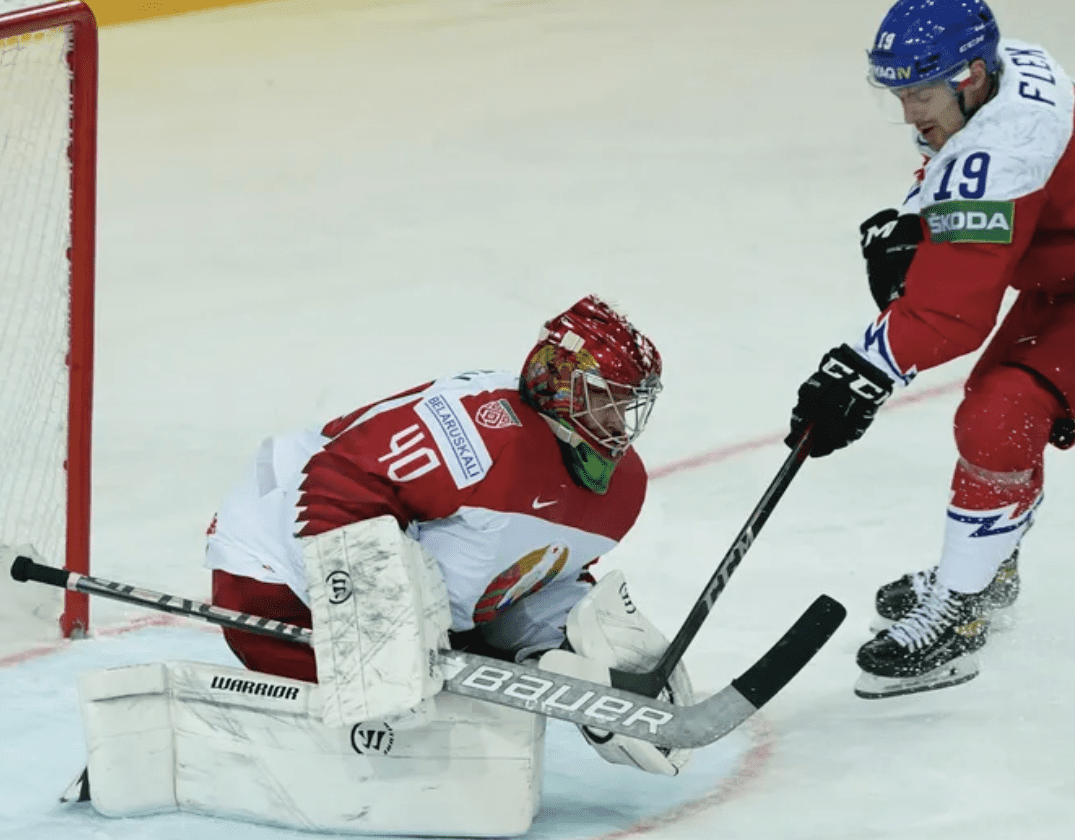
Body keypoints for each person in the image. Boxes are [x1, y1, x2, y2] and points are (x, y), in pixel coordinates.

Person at [72, 295, 692, 837]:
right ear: (558, 383)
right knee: (394, 705)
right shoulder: (480, 431)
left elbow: (538, 577)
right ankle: (191, 746)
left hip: (425, 595)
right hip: (276, 574)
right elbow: (337, 483)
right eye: (604, 400)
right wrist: (379, 628)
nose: (619, 422)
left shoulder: (622, 488)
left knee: (473, 712)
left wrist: (570, 659)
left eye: (627, 404)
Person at [787, 0, 1075, 699]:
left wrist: (859, 370)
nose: (909, 115)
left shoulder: (1006, 146)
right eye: (898, 95)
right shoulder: (1001, 73)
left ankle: (959, 615)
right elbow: (964, 171)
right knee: (996, 421)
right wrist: (915, 222)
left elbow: (948, 316)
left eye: (920, 94)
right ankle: (984, 571)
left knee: (1000, 417)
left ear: (967, 76)